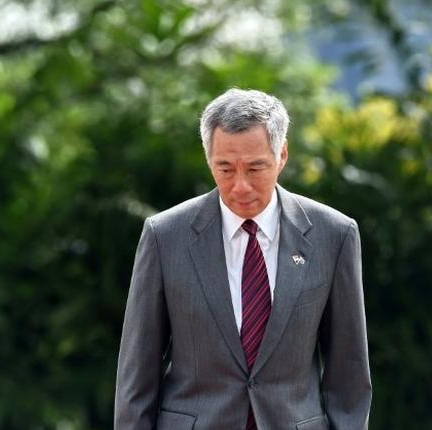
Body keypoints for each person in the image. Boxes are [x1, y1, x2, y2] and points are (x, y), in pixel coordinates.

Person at [114, 88, 371, 429]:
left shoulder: (334, 235)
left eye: (255, 168)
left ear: (282, 155)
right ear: (208, 159)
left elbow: (349, 377)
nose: (240, 187)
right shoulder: (164, 237)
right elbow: (137, 376)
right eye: (225, 169)